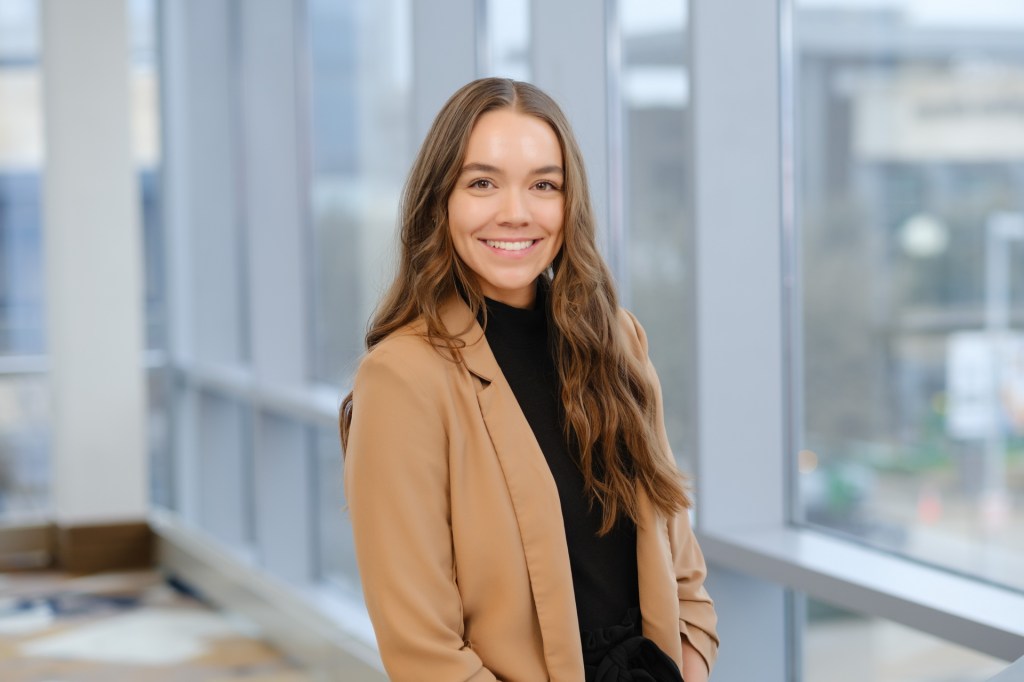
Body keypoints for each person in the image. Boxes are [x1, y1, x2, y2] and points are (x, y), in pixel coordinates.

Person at [340, 77, 718, 682]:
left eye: (544, 185)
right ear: (441, 201)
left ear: (571, 205)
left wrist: (691, 663)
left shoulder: (618, 340)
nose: (516, 213)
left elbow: (680, 566)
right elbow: (423, 649)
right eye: (482, 183)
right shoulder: (401, 378)